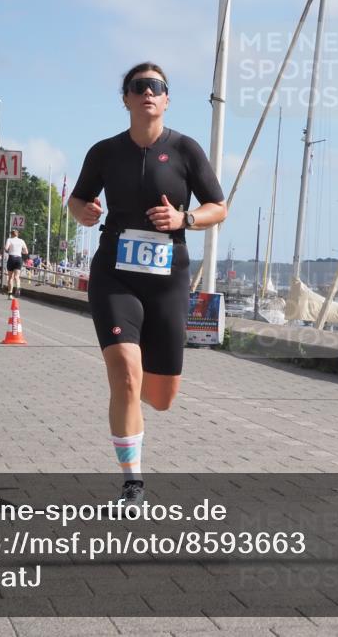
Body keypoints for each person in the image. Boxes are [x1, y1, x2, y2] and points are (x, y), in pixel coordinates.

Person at [68, 62, 227, 506]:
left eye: (156, 86)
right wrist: (82, 212)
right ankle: (132, 482)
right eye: (139, 87)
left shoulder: (185, 150)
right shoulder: (105, 152)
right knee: (124, 373)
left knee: (160, 397)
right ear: (126, 98)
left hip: (167, 280)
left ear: (167, 99)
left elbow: (219, 207)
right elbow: (77, 200)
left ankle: (134, 402)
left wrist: (184, 219)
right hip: (115, 275)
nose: (148, 93)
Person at [3, 229, 28, 299]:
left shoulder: (9, 240)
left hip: (11, 258)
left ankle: (10, 294)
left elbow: (6, 248)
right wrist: (20, 251)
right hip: (19, 258)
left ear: (11, 234)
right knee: (17, 276)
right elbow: (26, 252)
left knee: (10, 277)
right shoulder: (21, 241)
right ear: (17, 234)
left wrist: (6, 248)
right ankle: (18, 287)